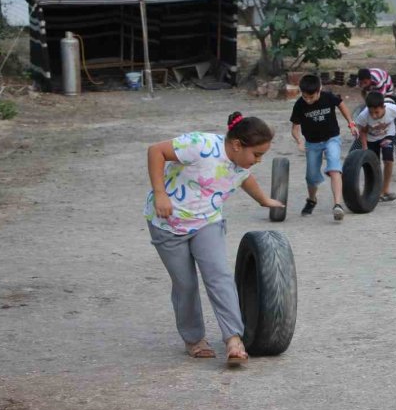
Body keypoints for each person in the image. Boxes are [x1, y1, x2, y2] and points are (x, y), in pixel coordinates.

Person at [145, 112, 283, 366]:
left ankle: (233, 339)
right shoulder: (200, 145)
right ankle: (194, 339)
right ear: (237, 145)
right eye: (257, 154)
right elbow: (156, 151)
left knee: (219, 277)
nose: (259, 160)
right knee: (185, 284)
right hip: (167, 225)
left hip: (207, 222)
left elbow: (245, 179)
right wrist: (160, 193)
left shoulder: (241, 164)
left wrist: (263, 200)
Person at [290, 74, 359, 221]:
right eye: (305, 96)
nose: (308, 100)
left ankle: (337, 205)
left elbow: (341, 104)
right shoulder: (299, 105)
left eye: (311, 97)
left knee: (334, 167)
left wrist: (351, 123)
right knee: (311, 177)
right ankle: (312, 199)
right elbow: (295, 128)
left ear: (319, 90)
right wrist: (299, 141)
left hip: (331, 139)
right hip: (312, 143)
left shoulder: (328, 97)